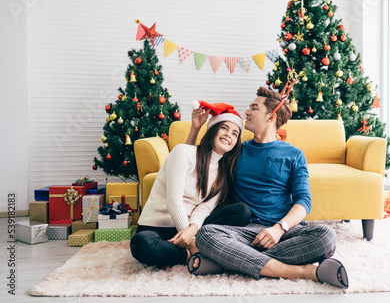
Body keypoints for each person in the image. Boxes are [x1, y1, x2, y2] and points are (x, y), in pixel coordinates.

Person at [186, 87, 349, 289]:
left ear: (271, 117)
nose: (246, 112)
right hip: (245, 233)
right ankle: (303, 271)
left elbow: (304, 201)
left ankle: (229, 260)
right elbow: (193, 162)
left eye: (254, 108)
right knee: (206, 235)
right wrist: (195, 128)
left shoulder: (294, 154)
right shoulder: (236, 150)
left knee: (327, 236)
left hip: (283, 233)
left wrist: (279, 229)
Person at [130, 102, 251, 269]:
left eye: (235, 133)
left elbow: (205, 208)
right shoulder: (183, 152)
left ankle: (177, 254)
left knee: (242, 212)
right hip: (157, 228)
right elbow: (173, 200)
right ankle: (192, 254)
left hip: (192, 228)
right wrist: (191, 244)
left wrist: (191, 231)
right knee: (141, 244)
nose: (229, 135)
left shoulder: (224, 173)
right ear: (213, 130)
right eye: (224, 128)